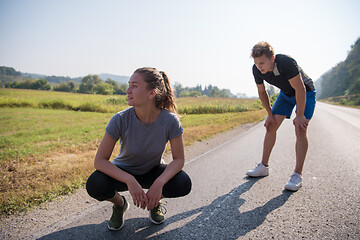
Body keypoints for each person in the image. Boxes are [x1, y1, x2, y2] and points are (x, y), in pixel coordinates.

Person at [86, 67, 192, 231]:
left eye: (134, 85)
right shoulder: (120, 119)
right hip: (124, 172)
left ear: (151, 94)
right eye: (129, 85)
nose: (128, 90)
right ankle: (120, 205)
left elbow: (179, 160)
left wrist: (158, 184)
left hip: (153, 171)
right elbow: (99, 161)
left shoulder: (170, 121)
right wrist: (129, 180)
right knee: (95, 184)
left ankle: (154, 202)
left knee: (183, 182)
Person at [246, 42, 316, 191]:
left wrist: (300, 115)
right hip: (286, 94)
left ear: (272, 58)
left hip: (305, 93)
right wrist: (270, 114)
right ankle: (263, 167)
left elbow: (300, 88)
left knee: (300, 128)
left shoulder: (285, 62)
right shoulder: (256, 70)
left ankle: (297, 175)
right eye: (256, 63)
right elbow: (262, 92)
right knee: (270, 126)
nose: (259, 67)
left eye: (262, 63)